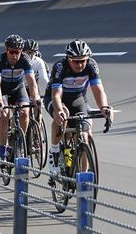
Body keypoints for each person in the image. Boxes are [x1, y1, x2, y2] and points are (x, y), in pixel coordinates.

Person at [44, 39, 113, 175]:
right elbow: (56, 95)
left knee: (83, 136)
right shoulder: (60, 67)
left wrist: (104, 107)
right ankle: (54, 151)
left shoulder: (91, 66)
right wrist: (58, 110)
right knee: (61, 117)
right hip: (56, 98)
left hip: (77, 99)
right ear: (68, 59)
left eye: (83, 60)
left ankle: (83, 176)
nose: (80, 64)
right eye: (76, 61)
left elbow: (98, 90)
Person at [0, 34, 40, 161]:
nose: (14, 55)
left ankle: (19, 141)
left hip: (18, 88)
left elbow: (31, 81)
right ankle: (2, 149)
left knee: (25, 112)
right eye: (11, 52)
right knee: (4, 115)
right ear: (6, 50)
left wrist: (35, 98)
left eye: (17, 52)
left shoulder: (25, 59)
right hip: (2, 90)